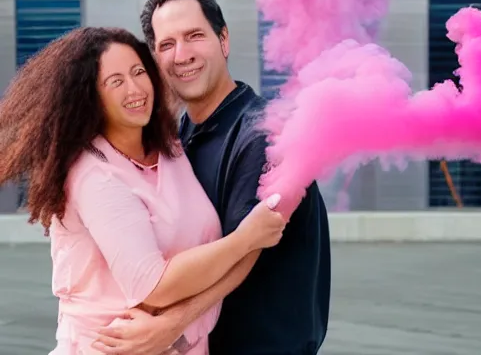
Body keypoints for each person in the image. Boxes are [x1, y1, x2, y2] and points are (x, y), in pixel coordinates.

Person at [0, 27, 286, 354]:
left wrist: (176, 322)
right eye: (116, 81)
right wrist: (244, 239)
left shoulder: (169, 150)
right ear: (90, 97)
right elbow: (152, 286)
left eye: (138, 72)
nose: (135, 89)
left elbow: (213, 260)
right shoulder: (94, 175)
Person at [94, 0, 331, 355]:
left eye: (194, 36)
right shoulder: (178, 136)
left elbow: (243, 252)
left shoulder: (265, 134)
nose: (182, 54)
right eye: (167, 44)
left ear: (224, 40)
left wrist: (169, 326)